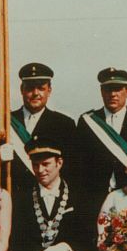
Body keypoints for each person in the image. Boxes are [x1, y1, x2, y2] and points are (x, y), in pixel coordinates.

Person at [76, 67, 127, 216]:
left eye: (117, 89)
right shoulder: (87, 121)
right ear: (101, 91)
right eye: (108, 89)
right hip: (94, 198)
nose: (112, 94)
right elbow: (79, 163)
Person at [9, 63, 77, 192]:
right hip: (14, 195)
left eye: (41, 88)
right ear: (21, 89)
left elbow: (71, 169)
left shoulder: (64, 124)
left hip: (49, 198)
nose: (35, 93)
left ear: (49, 90)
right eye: (30, 88)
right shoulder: (6, 122)